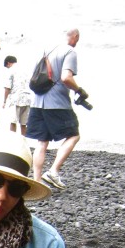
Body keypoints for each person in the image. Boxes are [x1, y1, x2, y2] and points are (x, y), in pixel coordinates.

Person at [27, 28, 87, 190]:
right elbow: (66, 77)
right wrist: (79, 90)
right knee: (74, 135)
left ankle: (37, 182)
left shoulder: (46, 50)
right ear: (75, 37)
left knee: (42, 142)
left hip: (38, 102)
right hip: (58, 104)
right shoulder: (69, 52)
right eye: (77, 38)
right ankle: (53, 171)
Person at [2, 55, 31, 136]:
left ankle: (13, 143)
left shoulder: (10, 70)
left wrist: (4, 101)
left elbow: (7, 87)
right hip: (27, 98)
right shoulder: (25, 70)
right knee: (23, 124)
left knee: (13, 122)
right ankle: (24, 143)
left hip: (15, 98)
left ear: (8, 63)